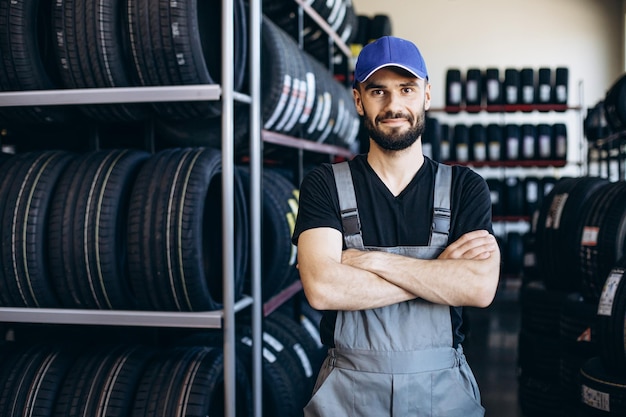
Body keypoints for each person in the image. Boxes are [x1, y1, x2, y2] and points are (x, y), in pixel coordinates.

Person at [291, 35, 501, 417]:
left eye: (406, 89)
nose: (393, 105)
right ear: (358, 100)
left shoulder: (465, 188)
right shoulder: (324, 184)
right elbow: (322, 288)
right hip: (347, 395)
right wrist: (439, 276)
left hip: (443, 393)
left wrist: (369, 262)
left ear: (427, 95)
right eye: (378, 91)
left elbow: (479, 287)